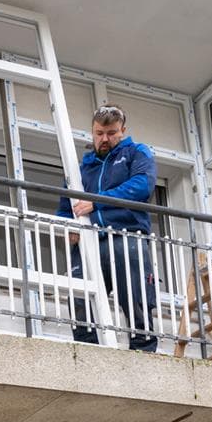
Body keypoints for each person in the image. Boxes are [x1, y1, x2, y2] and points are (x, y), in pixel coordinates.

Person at [57, 104, 158, 352]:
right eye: (99, 133)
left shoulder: (136, 152)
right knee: (79, 295)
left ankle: (143, 347)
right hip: (89, 242)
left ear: (122, 130)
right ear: (92, 132)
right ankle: (86, 350)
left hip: (126, 235)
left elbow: (142, 186)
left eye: (111, 133)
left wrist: (97, 202)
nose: (105, 139)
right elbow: (64, 207)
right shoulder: (81, 169)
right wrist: (66, 226)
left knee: (134, 293)